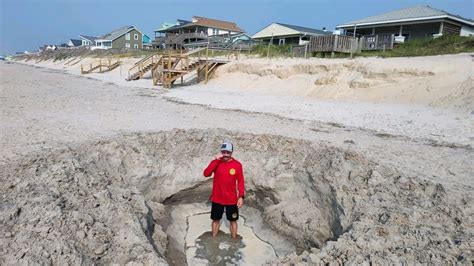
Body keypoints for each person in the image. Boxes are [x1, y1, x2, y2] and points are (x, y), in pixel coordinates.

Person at [203, 141, 245, 238]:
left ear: (232, 152)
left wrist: (241, 197)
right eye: (224, 152)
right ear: (221, 152)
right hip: (217, 198)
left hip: (231, 199)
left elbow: (241, 182)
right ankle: (214, 240)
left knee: (233, 220)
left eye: (228, 152)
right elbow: (206, 173)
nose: (226, 154)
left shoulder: (237, 165)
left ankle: (234, 241)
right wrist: (215, 161)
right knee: (215, 220)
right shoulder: (217, 163)